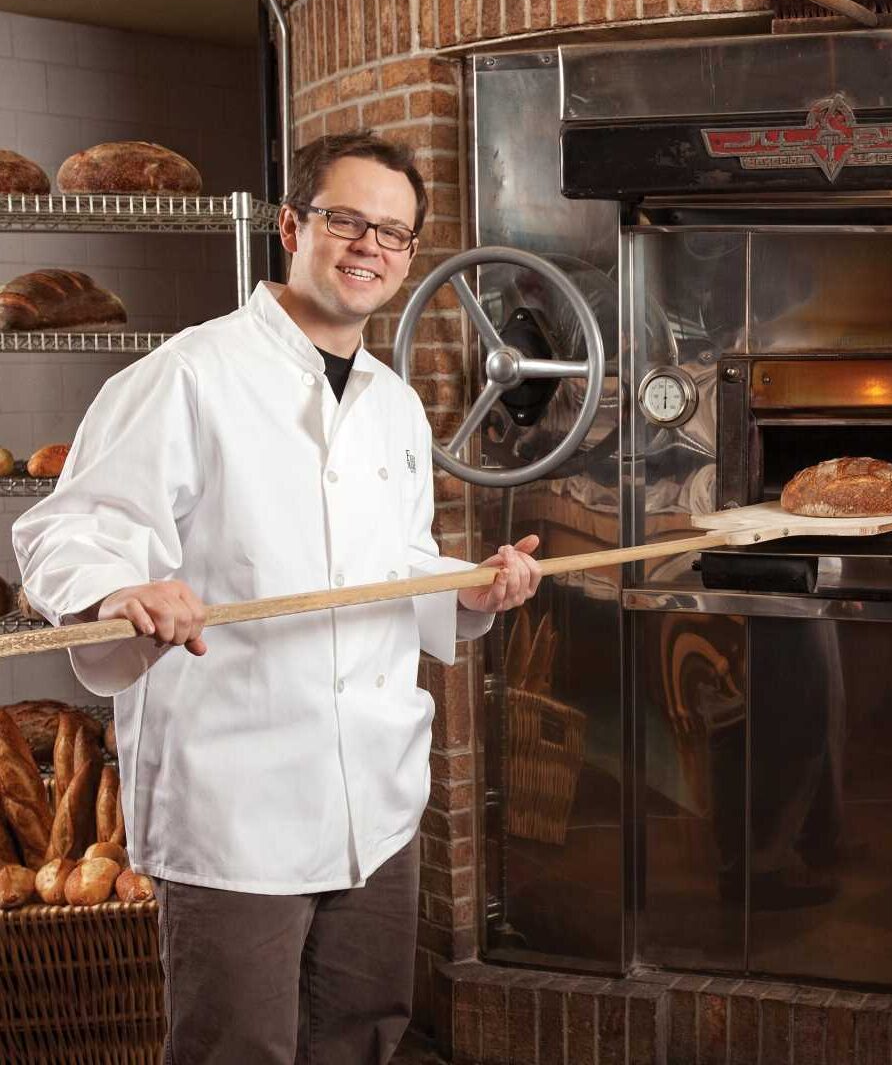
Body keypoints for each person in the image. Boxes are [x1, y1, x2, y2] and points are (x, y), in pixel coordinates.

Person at [12, 130, 542, 1064]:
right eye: (348, 220)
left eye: (394, 231)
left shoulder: (394, 402)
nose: (370, 245)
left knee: (361, 1037)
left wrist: (475, 592)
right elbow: (66, 527)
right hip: (237, 800)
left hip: (373, 800)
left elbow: (394, 562)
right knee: (237, 1049)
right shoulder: (188, 374)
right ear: (293, 225)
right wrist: (121, 587)